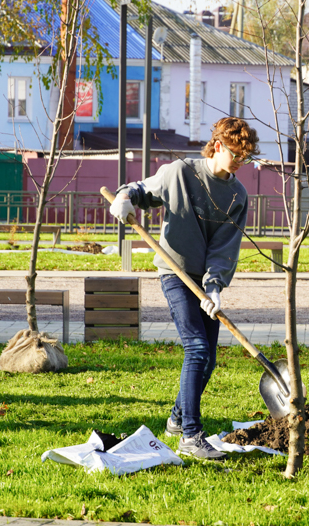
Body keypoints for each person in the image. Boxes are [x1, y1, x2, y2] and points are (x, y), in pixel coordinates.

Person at [109, 117, 259, 461]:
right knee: (197, 349)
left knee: (210, 357)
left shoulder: (237, 194)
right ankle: (191, 435)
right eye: (236, 155)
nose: (240, 164)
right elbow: (141, 190)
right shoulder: (180, 172)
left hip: (204, 281)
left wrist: (215, 287)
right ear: (218, 146)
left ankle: (177, 420)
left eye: (246, 158)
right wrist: (124, 198)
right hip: (175, 273)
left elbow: (225, 247)